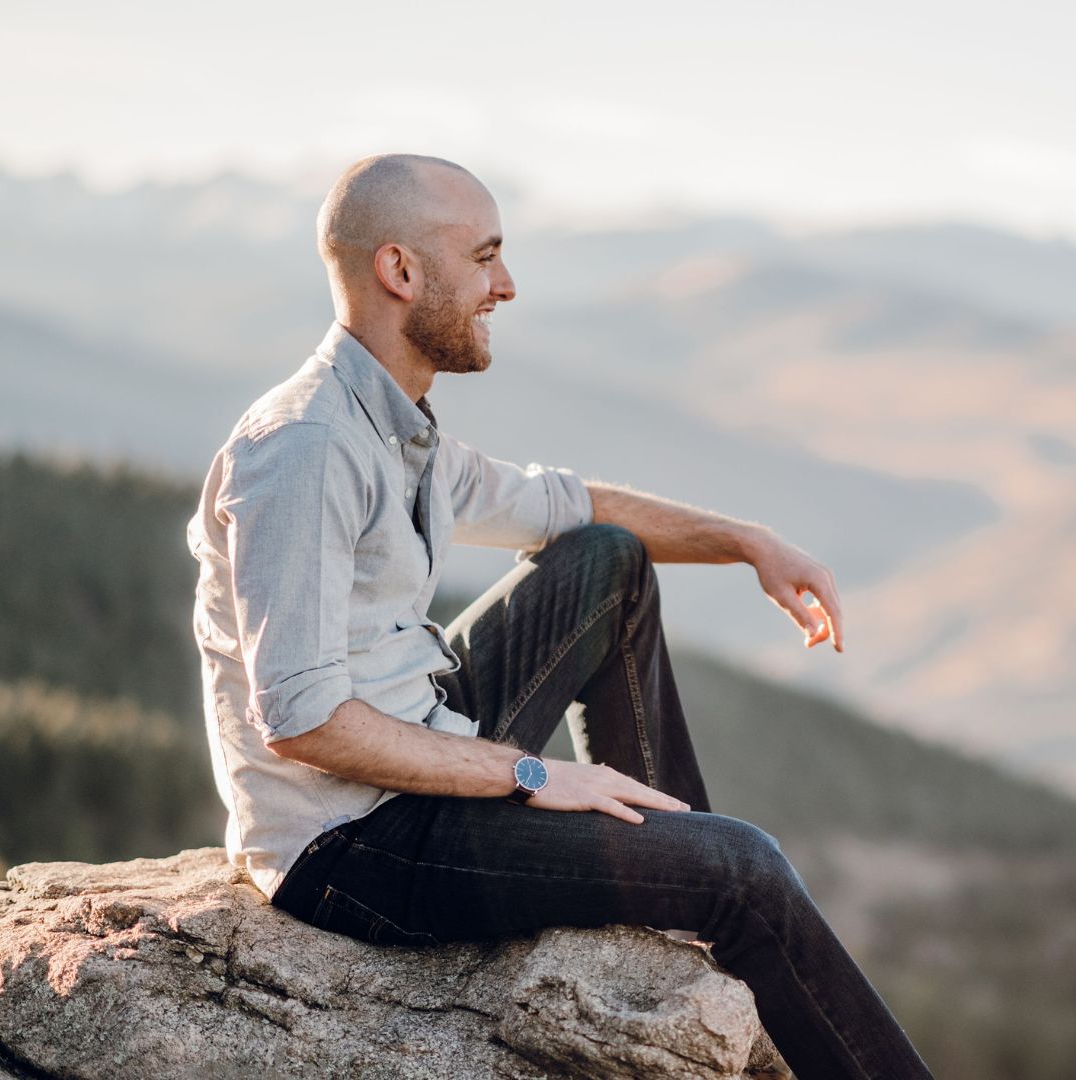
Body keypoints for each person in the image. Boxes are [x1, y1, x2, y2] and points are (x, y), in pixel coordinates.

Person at [186, 153, 935, 1079]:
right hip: (350, 845)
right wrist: (531, 774)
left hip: (418, 739)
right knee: (746, 870)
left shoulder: (399, 426)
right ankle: (705, 879)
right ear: (400, 271)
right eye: (484, 257)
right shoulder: (305, 448)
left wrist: (747, 542)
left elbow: (565, 505)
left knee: (606, 560)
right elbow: (303, 721)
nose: (505, 286)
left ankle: (671, 865)